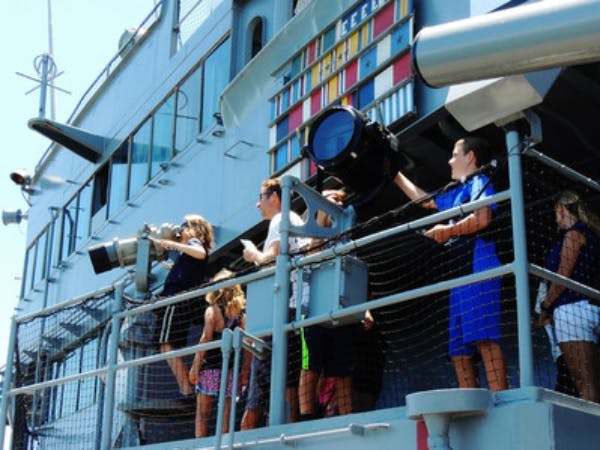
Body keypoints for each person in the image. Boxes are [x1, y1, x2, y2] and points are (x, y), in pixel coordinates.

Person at [393, 136, 508, 391]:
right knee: (458, 351)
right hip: (459, 276)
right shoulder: (457, 191)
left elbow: (482, 218)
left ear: (470, 157)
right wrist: (395, 175)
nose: (449, 161)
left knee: (485, 340)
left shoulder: (480, 180)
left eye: (455, 154)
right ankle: (471, 402)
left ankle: (502, 400)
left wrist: (447, 231)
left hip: (479, 268)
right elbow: (427, 201)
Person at [240, 178, 309, 428]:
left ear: (275, 197)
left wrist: (252, 255)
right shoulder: (295, 218)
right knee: (289, 377)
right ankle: (289, 428)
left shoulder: (281, 219)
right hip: (299, 308)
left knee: (260, 384)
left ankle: (245, 438)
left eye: (261, 197)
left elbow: (271, 259)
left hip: (284, 309)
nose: (258, 204)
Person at [298, 189, 361, 420]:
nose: (339, 203)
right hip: (314, 311)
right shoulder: (307, 234)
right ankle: (306, 419)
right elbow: (311, 252)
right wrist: (323, 216)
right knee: (311, 367)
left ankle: (346, 418)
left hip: (343, 309)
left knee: (343, 372)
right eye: (333, 199)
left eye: (341, 200)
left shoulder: (348, 238)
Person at [538, 190, 600, 402]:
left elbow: (563, 276)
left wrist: (546, 306)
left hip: (572, 311)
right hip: (591, 307)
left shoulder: (573, 234)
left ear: (560, 209)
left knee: (585, 384)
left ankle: (591, 424)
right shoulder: (592, 234)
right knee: (593, 382)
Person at [155, 214, 214, 397]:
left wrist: (175, 244)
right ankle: (186, 387)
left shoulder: (194, 243)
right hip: (180, 301)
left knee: (165, 343)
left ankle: (185, 388)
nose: (180, 231)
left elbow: (200, 253)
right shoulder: (186, 253)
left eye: (183, 227)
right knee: (170, 344)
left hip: (175, 300)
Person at [189, 269, 246, 437]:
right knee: (226, 413)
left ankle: (200, 444)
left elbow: (206, 338)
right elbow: (246, 345)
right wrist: (245, 371)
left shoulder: (212, 310)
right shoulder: (241, 315)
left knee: (202, 413)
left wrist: (195, 367)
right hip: (230, 371)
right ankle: (224, 443)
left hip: (210, 369)